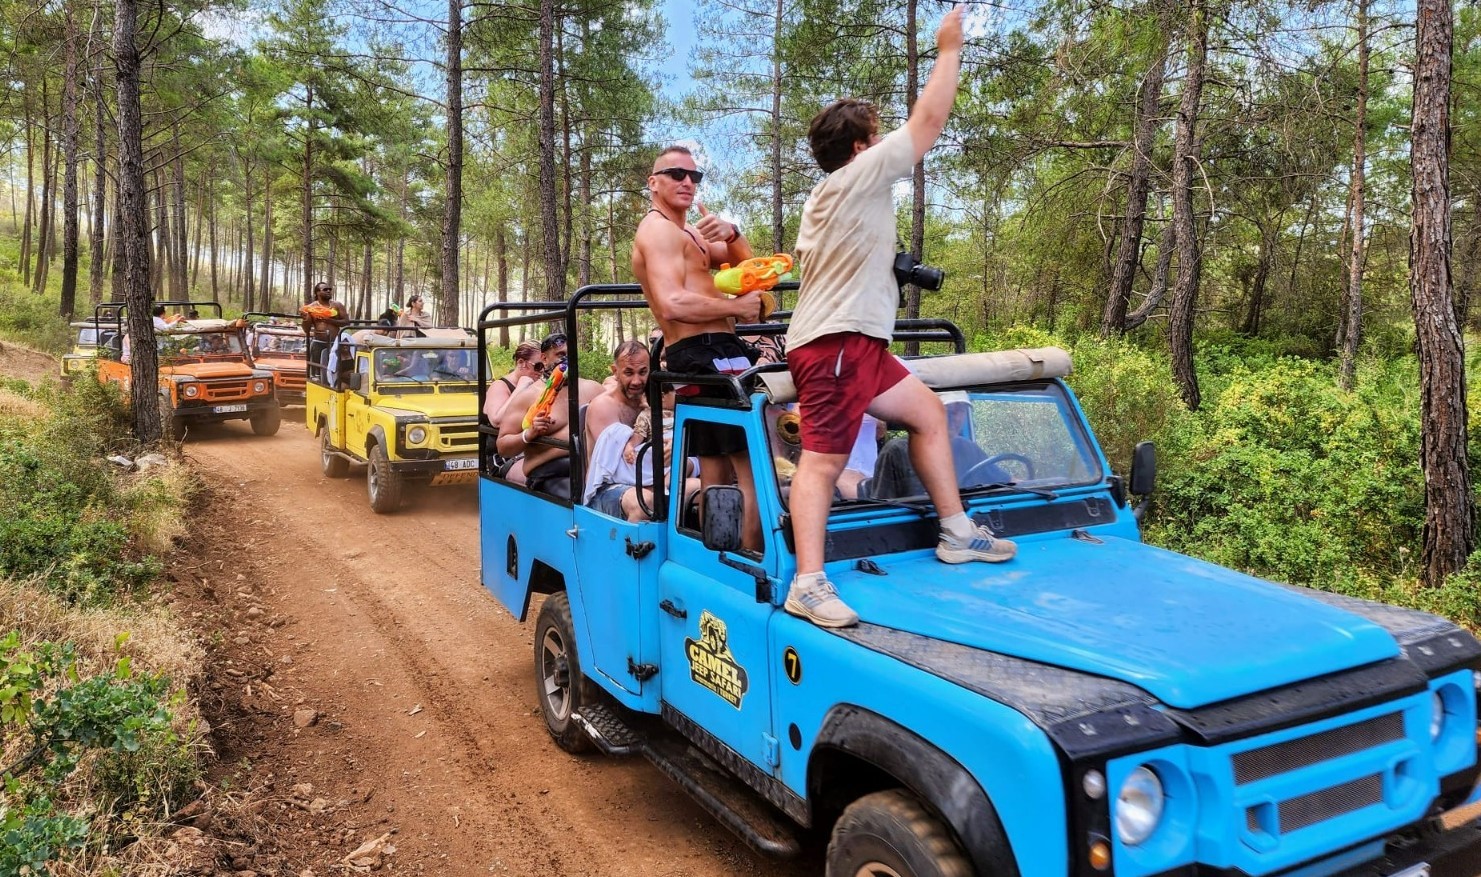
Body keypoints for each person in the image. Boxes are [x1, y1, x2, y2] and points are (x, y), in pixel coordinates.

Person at [782, 6, 1014, 629]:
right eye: (878, 135)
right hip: (834, 343)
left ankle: (957, 532)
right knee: (823, 461)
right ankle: (807, 583)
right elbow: (930, 120)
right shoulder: (856, 178)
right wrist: (948, 50)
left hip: (860, 343)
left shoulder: (838, 197)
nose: (888, 141)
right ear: (861, 148)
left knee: (927, 414)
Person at [631, 144, 765, 551]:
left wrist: (734, 235)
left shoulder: (690, 231)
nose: (688, 181)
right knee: (753, 467)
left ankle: (719, 555)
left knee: (716, 468)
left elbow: (750, 273)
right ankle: (751, 562)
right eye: (676, 174)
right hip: (704, 351)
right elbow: (671, 302)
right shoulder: (657, 230)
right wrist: (736, 307)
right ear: (653, 184)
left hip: (714, 350)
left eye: (695, 176)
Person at [495, 332, 602, 499]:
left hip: (590, 466)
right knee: (583, 495)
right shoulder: (528, 396)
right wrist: (528, 434)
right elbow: (502, 446)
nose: (567, 360)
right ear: (544, 359)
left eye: (571, 354)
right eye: (561, 355)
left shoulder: (592, 389)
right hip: (548, 471)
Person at [584, 339, 650, 454]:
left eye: (642, 372)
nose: (636, 381)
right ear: (615, 371)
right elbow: (617, 459)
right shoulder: (603, 406)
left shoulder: (651, 402)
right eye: (629, 373)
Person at [484, 340, 543, 424]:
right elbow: (497, 420)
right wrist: (520, 388)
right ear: (521, 363)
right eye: (539, 366)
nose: (542, 370)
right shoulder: (499, 386)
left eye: (545, 366)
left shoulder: (537, 384)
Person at [301, 281, 348, 379]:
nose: (328, 291)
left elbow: (346, 322)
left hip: (335, 342)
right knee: (317, 372)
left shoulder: (337, 305)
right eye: (325, 289)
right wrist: (306, 319)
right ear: (317, 293)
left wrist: (329, 320)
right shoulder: (311, 307)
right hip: (318, 342)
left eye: (330, 289)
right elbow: (306, 329)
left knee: (336, 369)